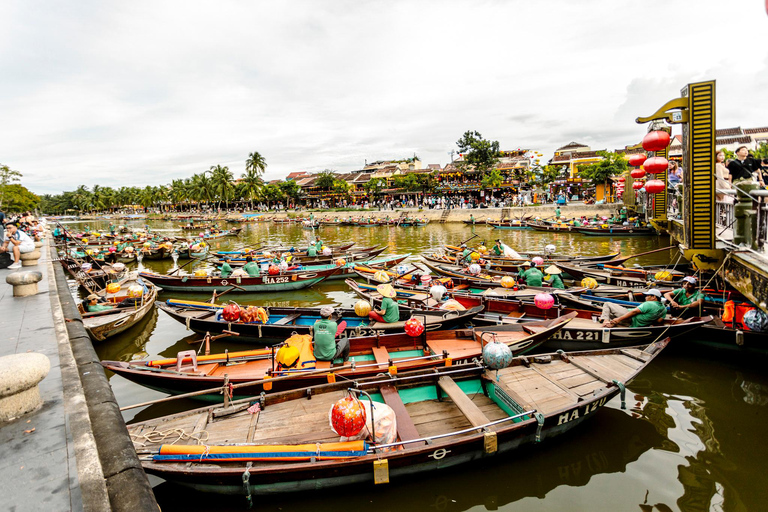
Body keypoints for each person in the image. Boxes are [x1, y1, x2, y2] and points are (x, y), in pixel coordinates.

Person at [601, 289, 667, 327]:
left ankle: (606, 321)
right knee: (609, 314)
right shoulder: (664, 309)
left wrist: (619, 319)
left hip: (629, 317)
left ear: (653, 297)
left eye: (647, 295)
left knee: (607, 304)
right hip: (633, 324)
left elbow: (634, 312)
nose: (645, 297)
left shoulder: (649, 304)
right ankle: (610, 323)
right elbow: (659, 321)